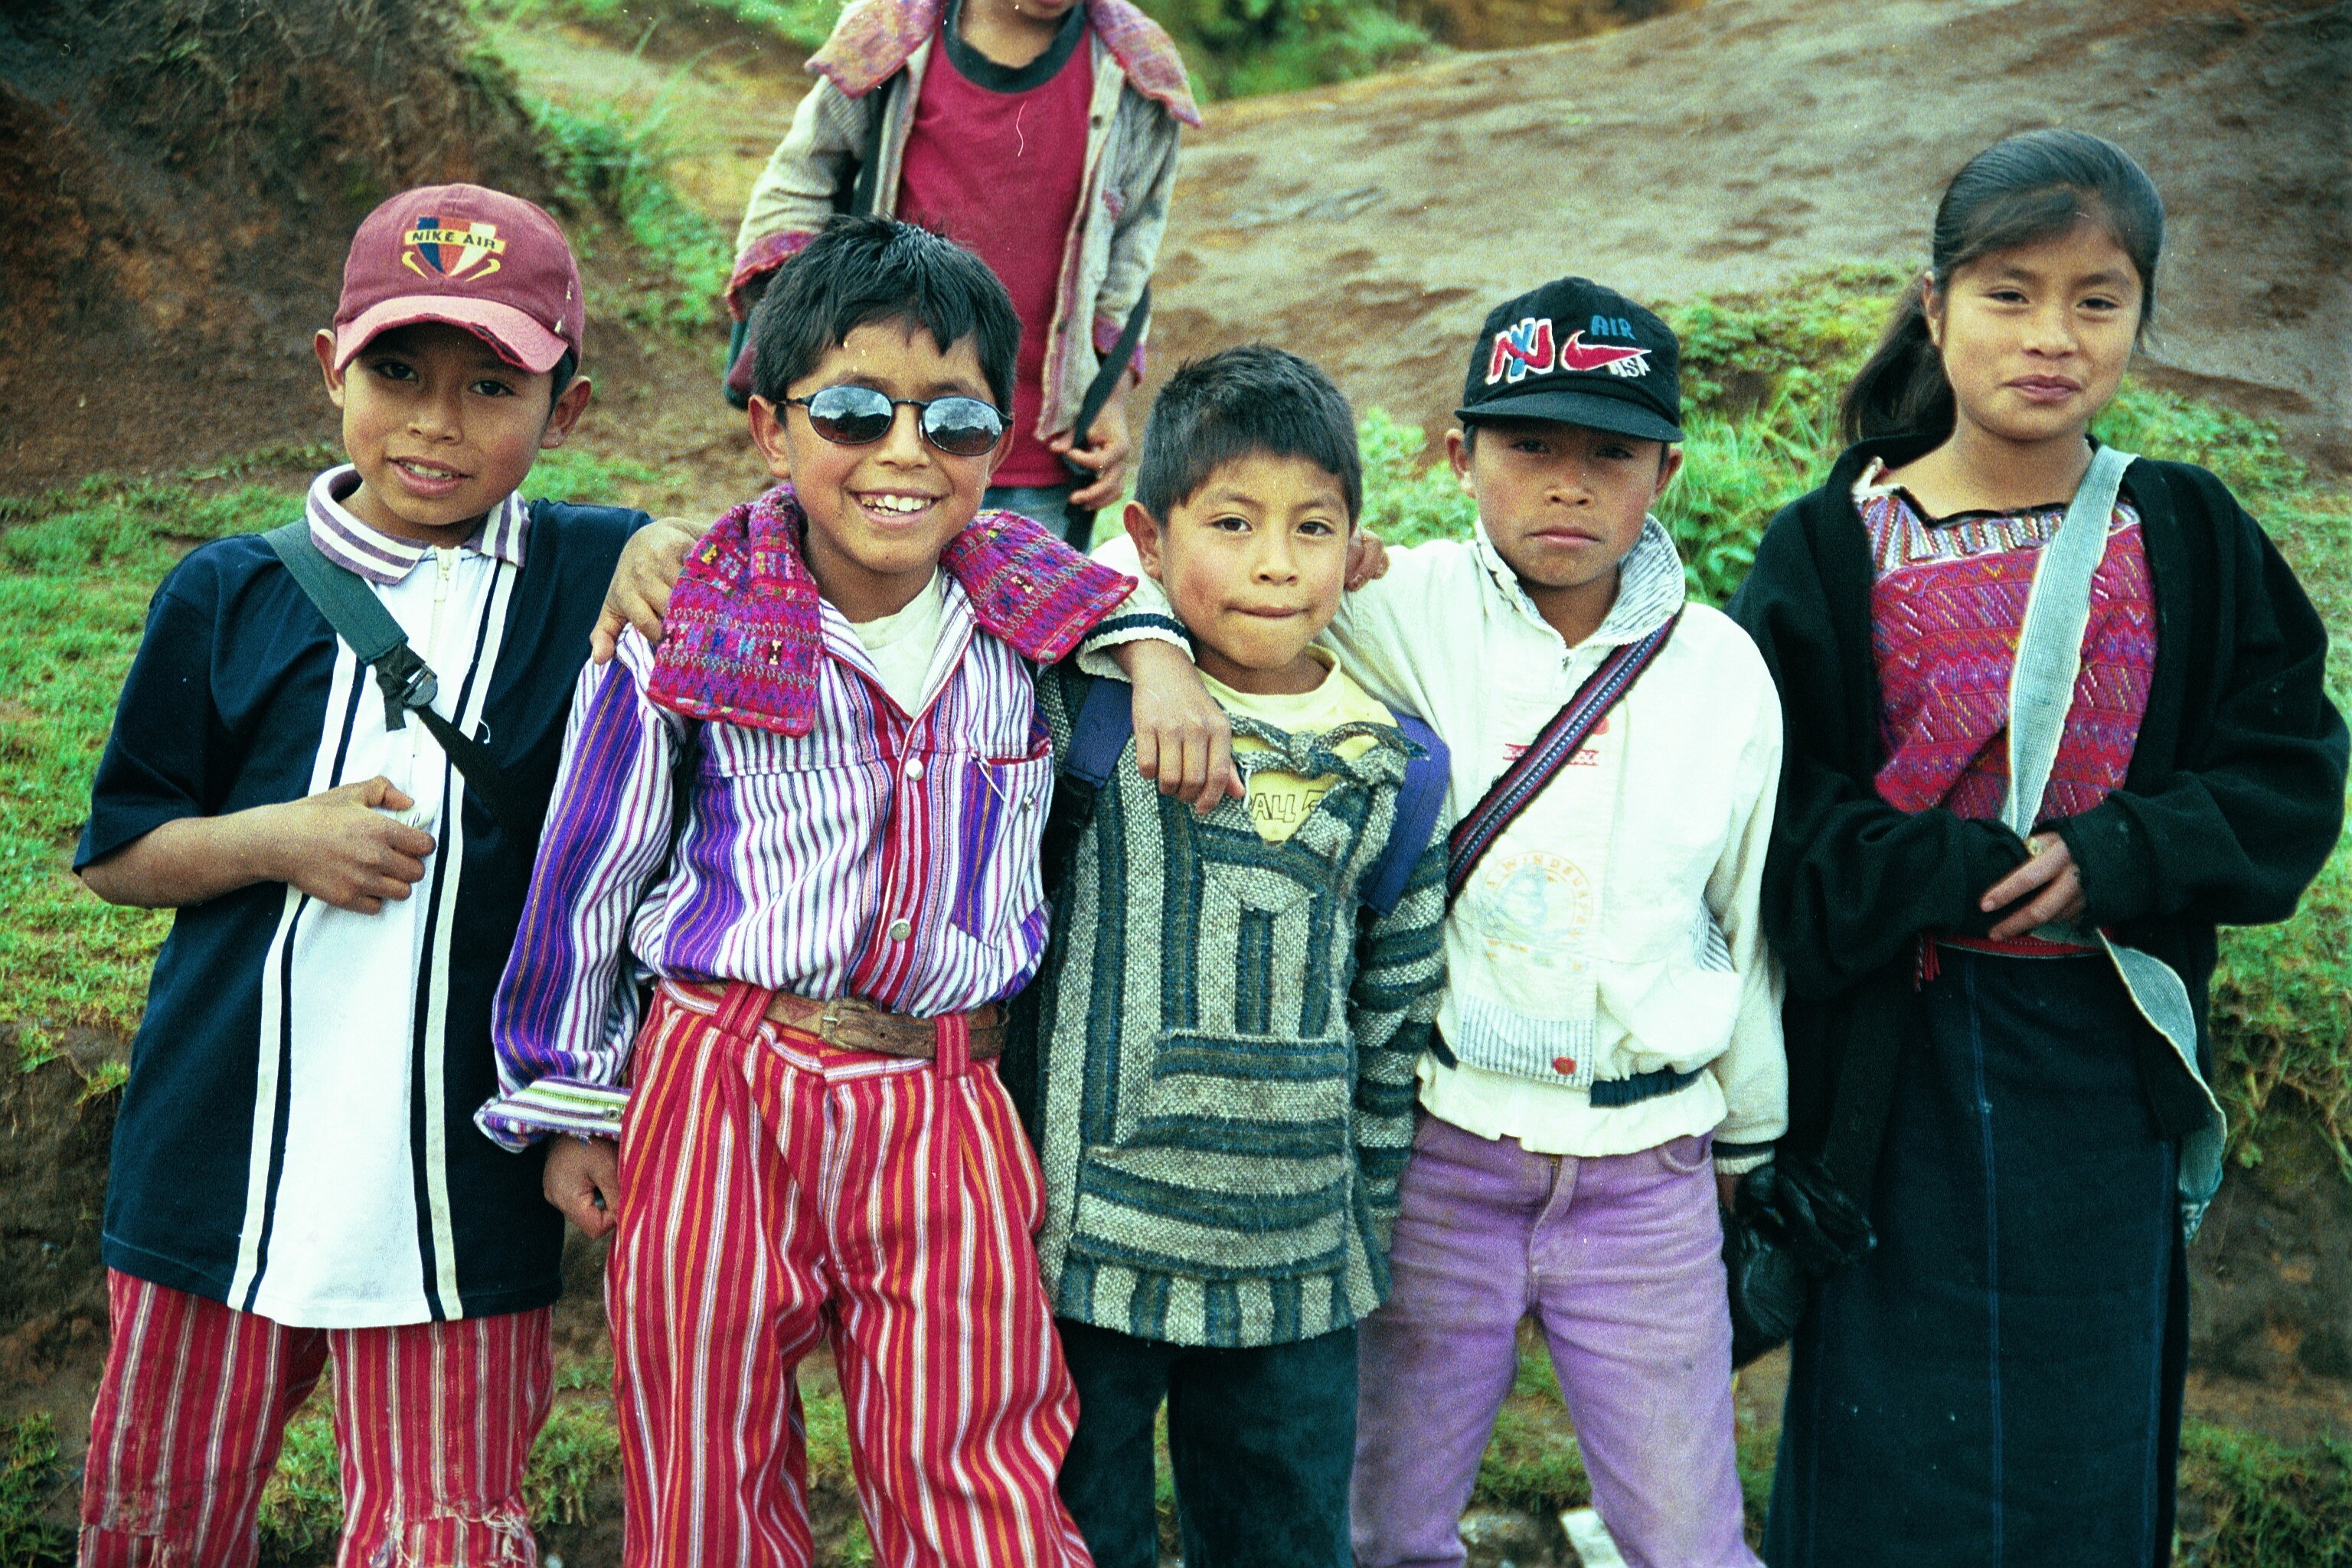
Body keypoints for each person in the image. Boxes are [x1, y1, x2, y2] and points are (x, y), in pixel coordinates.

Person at [1086, 279, 1785, 1568]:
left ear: (1667, 471)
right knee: (1382, 1520)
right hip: (1446, 1151)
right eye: (1529, 447)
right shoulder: (1385, 599)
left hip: (1650, 1168)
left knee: (1687, 1533)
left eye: (1608, 454)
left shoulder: (1723, 671)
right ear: (1457, 454)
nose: (1566, 484)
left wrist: (1750, 1133)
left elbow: (1739, 919)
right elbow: (1124, 567)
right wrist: (1156, 655)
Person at [479, 215, 1142, 1568]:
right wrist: (571, 1100)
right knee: (706, 1470)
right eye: (851, 409)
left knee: (980, 1481)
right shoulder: (687, 619)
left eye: (952, 420)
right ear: (771, 429)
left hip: (944, 1094)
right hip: (722, 1081)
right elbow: (591, 870)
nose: (903, 452)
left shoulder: (1039, 623)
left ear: (999, 437)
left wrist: (1164, 650)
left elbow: (1177, 587)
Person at [1727, 129, 2348, 1567]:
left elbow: (2284, 768)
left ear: (2140, 316)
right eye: (2008, 294)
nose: (2050, 337)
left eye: (2095, 299)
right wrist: (1942, 871)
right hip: (1897, 1069)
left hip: (2099, 1061)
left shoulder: (2180, 528)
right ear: (1933, 308)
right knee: (1889, 1436)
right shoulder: (1829, 548)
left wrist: (2125, 849)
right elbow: (1771, 806)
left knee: (2084, 1427)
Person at [72, 184, 639, 1566]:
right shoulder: (230, 590)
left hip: (461, 1175)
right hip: (218, 1152)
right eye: (398, 372)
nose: (436, 422)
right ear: (332, 367)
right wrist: (280, 837)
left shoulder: (598, 568)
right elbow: (121, 851)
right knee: (156, 1516)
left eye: (490, 384)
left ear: (564, 408)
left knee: (446, 1529)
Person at [1004, 346, 1451, 1568]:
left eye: (1313, 528)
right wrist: (1142, 642)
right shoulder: (1088, 710)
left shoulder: (1396, 767)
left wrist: (1360, 1221)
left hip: (1295, 1269)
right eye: (1234, 522)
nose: (1273, 563)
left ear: (1358, 547)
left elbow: (1392, 1019)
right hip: (1080, 1259)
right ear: (1149, 537)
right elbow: (980, 557)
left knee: (1285, 1540)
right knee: (1071, 1536)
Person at [725, 0, 1199, 546]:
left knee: (1022, 622)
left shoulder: (1139, 71)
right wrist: (798, 337)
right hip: (875, 434)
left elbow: (1130, 256)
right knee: (850, 607)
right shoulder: (888, 34)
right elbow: (794, 188)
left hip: (1035, 456)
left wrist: (1109, 400)